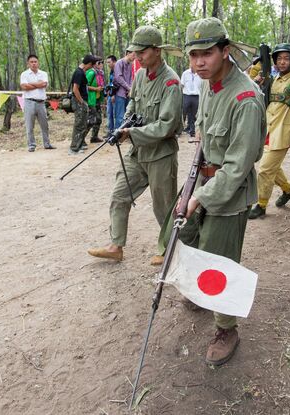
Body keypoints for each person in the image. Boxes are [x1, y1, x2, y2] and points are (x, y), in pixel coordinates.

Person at [181, 17, 266, 365]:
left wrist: (199, 197)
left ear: (225, 51)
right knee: (184, 235)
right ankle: (201, 293)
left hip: (229, 193)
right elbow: (203, 132)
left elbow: (237, 167)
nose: (199, 62)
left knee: (219, 260)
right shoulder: (207, 83)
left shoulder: (246, 98)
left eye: (207, 53)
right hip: (204, 178)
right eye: (193, 55)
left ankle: (226, 327)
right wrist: (193, 186)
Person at [87, 26, 183, 261]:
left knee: (164, 207)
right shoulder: (139, 74)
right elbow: (132, 103)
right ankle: (116, 246)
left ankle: (169, 249)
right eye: (135, 51)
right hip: (137, 152)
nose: (137, 56)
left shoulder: (171, 82)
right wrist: (125, 124)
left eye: (142, 51)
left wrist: (132, 133)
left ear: (157, 50)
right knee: (120, 195)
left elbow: (167, 126)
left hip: (161, 154)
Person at [248, 43, 290, 220]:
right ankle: (288, 190)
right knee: (272, 166)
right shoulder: (274, 79)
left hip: (284, 132)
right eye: (279, 58)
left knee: (265, 170)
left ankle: (261, 205)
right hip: (269, 129)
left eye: (286, 58)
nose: (282, 62)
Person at [20, 54, 54, 152]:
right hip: (29, 102)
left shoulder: (43, 73)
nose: (34, 64)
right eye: (32, 62)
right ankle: (31, 145)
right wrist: (38, 84)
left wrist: (30, 84)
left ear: (38, 62)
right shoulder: (24, 74)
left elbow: (44, 84)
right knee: (30, 125)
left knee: (44, 124)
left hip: (41, 102)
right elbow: (24, 87)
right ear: (28, 63)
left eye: (35, 61)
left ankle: (47, 144)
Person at [69, 54, 99, 155]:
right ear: (89, 63)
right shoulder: (78, 73)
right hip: (79, 101)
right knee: (78, 124)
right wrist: (82, 102)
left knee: (82, 124)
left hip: (82, 101)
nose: (92, 68)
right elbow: (75, 89)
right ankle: (73, 148)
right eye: (92, 65)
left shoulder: (82, 72)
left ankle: (79, 144)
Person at [112, 50, 135, 129]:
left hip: (128, 93)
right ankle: (116, 134)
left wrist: (131, 88)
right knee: (119, 116)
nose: (134, 57)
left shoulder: (130, 64)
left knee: (127, 115)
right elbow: (118, 78)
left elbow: (131, 78)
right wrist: (129, 88)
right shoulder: (119, 63)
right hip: (120, 93)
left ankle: (123, 134)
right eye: (133, 55)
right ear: (128, 53)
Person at [84, 59, 104, 143]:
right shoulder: (91, 73)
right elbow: (85, 86)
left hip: (97, 99)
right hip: (91, 100)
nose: (102, 65)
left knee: (98, 119)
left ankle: (94, 137)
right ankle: (81, 139)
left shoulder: (100, 73)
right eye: (100, 63)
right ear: (96, 64)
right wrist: (96, 89)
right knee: (91, 120)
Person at [180, 65, 202, 137]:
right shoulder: (185, 73)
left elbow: (202, 86)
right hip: (186, 95)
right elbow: (182, 85)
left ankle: (192, 131)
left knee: (194, 114)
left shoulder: (200, 74)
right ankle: (179, 129)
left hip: (196, 96)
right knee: (183, 112)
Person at [104, 55, 117, 137]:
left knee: (116, 114)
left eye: (109, 62)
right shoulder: (111, 71)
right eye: (107, 62)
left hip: (115, 96)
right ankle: (110, 132)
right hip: (110, 95)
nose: (108, 64)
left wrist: (113, 95)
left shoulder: (117, 70)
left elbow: (116, 84)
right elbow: (111, 83)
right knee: (109, 114)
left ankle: (115, 133)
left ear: (114, 61)